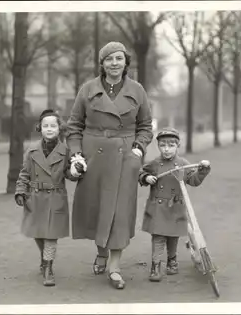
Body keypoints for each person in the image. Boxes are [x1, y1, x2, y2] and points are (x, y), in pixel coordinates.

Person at [66, 41, 153, 289]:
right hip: (94, 155)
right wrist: (77, 155)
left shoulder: (137, 90)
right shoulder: (87, 89)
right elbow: (74, 127)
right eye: (109, 59)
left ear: (126, 62)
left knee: (120, 212)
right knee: (98, 208)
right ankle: (101, 251)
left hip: (126, 155)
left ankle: (114, 267)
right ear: (102, 64)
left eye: (119, 58)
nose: (114, 63)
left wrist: (138, 148)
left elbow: (146, 126)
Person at [14, 109, 81, 287]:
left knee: (51, 235)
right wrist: (20, 191)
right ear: (40, 128)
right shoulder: (32, 150)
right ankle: (44, 259)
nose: (49, 129)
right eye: (45, 126)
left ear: (60, 129)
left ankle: (48, 268)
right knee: (39, 234)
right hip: (35, 198)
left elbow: (69, 174)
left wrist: (76, 171)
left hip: (55, 197)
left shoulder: (65, 151)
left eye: (53, 126)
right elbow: (24, 173)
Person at [138, 127, 211, 282]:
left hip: (175, 208)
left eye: (171, 145)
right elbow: (141, 173)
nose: (166, 149)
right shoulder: (155, 164)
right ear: (158, 146)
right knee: (158, 238)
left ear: (177, 146)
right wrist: (147, 178)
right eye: (163, 145)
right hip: (158, 208)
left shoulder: (183, 163)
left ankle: (172, 261)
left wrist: (202, 171)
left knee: (173, 237)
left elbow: (194, 180)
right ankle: (155, 266)